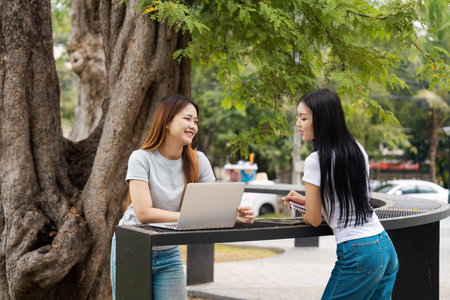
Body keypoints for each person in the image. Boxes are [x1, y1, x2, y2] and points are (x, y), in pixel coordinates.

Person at [110, 94, 255, 300]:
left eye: (195, 121)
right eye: (187, 118)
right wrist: (190, 216)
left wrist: (232, 215)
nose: (193, 126)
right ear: (167, 122)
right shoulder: (141, 158)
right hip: (132, 248)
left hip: (169, 251)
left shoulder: (198, 161)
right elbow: (144, 213)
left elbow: (211, 207)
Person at [284, 88, 399, 299]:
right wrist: (304, 200)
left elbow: (314, 219)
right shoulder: (357, 149)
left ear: (322, 119)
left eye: (304, 118)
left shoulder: (315, 161)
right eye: (298, 118)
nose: (298, 124)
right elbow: (345, 199)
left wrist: (305, 211)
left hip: (359, 253)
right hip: (384, 245)